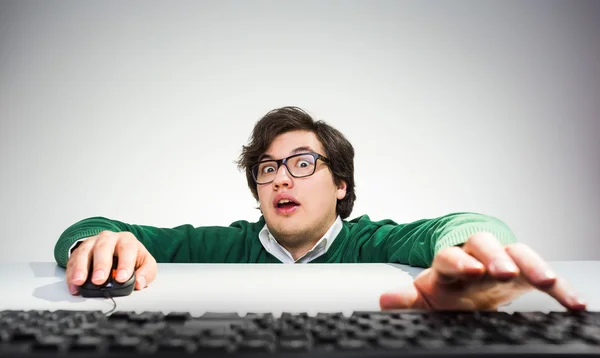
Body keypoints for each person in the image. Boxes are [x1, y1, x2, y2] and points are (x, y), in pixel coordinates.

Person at [54, 106, 587, 311]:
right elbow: (91, 227)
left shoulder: (373, 243)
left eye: (302, 163)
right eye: (267, 168)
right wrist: (100, 244)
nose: (281, 177)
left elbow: (456, 227)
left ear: (340, 185)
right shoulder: (223, 246)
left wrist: (474, 251)